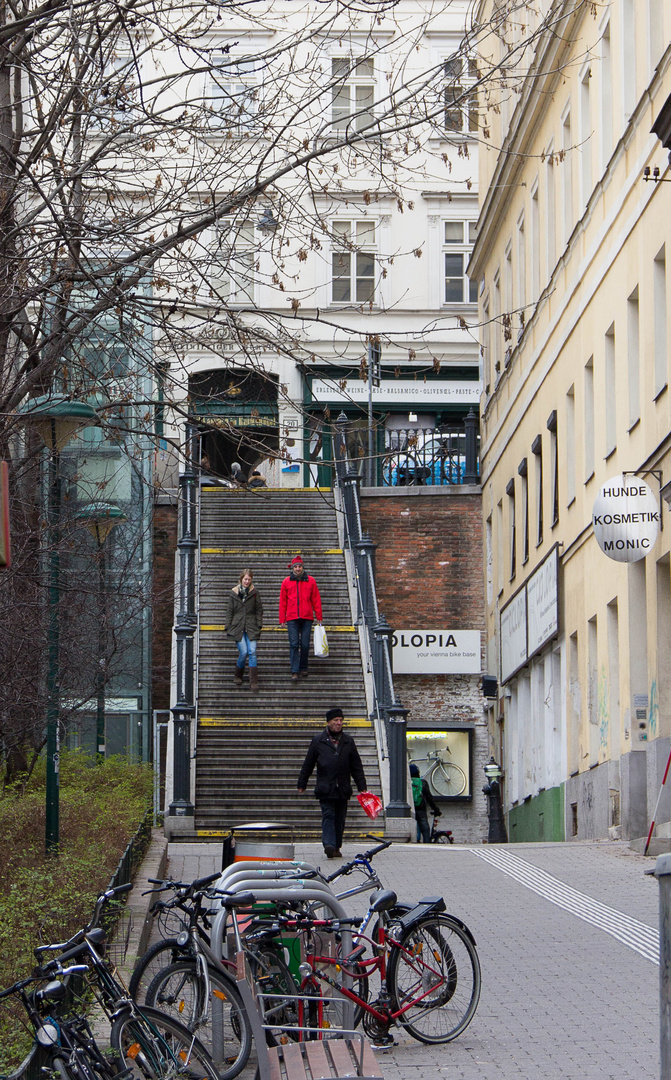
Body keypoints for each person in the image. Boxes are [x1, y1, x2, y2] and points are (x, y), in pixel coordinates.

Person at [297, 708, 367, 858]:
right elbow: (308, 763)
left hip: (342, 787)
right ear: (328, 722)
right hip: (326, 787)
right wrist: (302, 783)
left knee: (340, 818)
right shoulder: (318, 741)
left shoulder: (348, 741)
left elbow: (356, 766)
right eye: (336, 720)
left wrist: (362, 787)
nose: (339, 723)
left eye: (341, 720)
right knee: (328, 815)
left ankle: (336, 846)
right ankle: (328, 844)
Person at [279, 555, 322, 681]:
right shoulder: (286, 582)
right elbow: (283, 601)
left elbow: (316, 599)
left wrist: (318, 615)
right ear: (293, 568)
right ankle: (294, 670)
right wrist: (282, 618)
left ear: (302, 567)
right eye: (296, 567)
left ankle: (303, 667)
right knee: (294, 644)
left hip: (307, 616)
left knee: (304, 644)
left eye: (299, 566)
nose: (298, 569)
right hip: (292, 617)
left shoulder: (311, 581)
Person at [226, 568, 263, 692]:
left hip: (251, 626)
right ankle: (238, 674)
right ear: (241, 579)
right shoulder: (233, 593)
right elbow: (230, 610)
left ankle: (253, 682)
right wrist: (228, 626)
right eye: (245, 579)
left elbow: (259, 610)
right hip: (238, 626)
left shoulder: (255, 593)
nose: (247, 582)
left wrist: (259, 624)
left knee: (252, 651)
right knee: (244, 652)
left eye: (249, 579)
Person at [410, 762, 441, 843]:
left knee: (412, 829)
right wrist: (436, 809)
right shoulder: (423, 783)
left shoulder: (407, 783)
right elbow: (429, 798)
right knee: (425, 829)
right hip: (421, 809)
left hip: (410, 811)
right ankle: (426, 845)